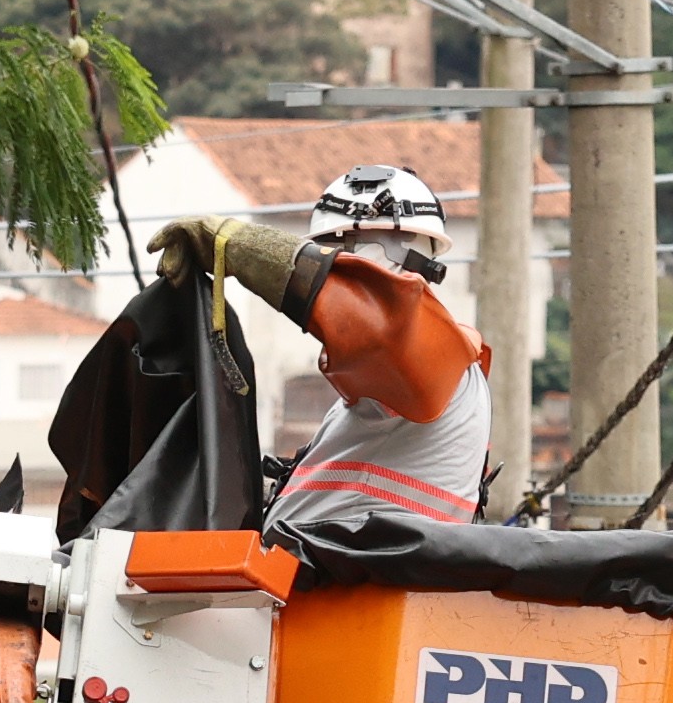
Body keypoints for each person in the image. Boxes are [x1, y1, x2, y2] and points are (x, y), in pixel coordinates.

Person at [154, 164, 495, 523]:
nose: (328, 268)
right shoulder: (401, 377)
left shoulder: (435, 355)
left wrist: (235, 245)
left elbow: (366, 318)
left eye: (330, 255)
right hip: (331, 569)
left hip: (352, 576)